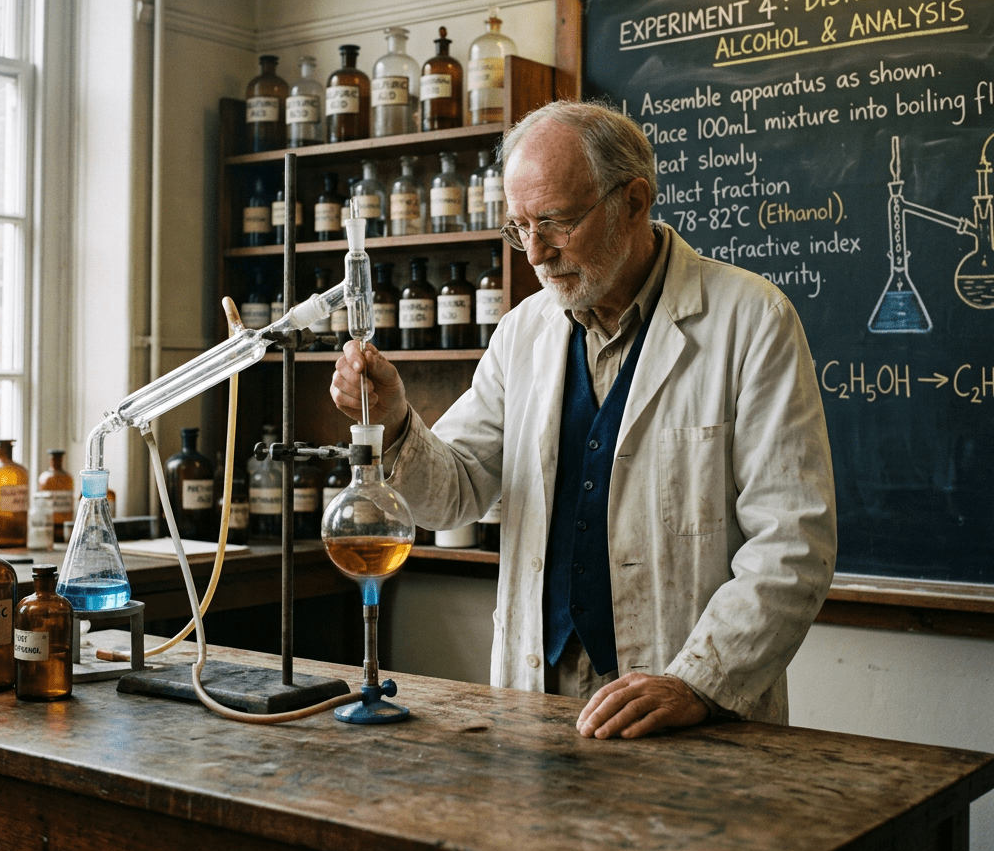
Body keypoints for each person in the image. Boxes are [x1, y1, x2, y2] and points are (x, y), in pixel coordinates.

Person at [331, 100, 836, 739]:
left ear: (634, 200)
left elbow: (792, 543)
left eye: (557, 222)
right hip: (537, 700)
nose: (536, 253)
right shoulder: (523, 332)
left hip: (689, 710)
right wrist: (401, 421)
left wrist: (698, 682)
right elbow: (454, 493)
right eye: (519, 228)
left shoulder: (751, 320)